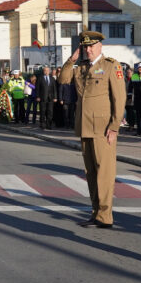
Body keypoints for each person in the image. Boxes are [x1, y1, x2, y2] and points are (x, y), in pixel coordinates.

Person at [59, 31, 126, 229]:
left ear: (100, 46)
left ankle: (105, 216)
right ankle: (96, 212)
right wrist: (71, 60)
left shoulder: (111, 65)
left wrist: (114, 127)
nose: (88, 50)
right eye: (84, 47)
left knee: (104, 173)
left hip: (103, 129)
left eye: (91, 46)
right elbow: (63, 80)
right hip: (85, 126)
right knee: (91, 173)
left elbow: (119, 99)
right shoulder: (81, 68)